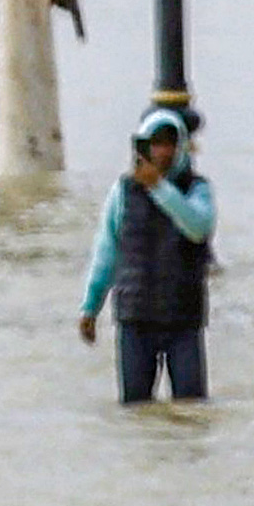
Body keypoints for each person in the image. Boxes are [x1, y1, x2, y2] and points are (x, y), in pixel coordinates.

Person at [77, 103, 216, 406]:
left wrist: (159, 187)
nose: (163, 151)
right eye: (156, 143)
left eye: (170, 143)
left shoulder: (197, 189)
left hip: (183, 318)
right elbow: (106, 252)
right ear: (143, 147)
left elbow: (198, 227)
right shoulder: (123, 191)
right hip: (136, 317)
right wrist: (90, 307)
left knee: (191, 409)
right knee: (135, 410)